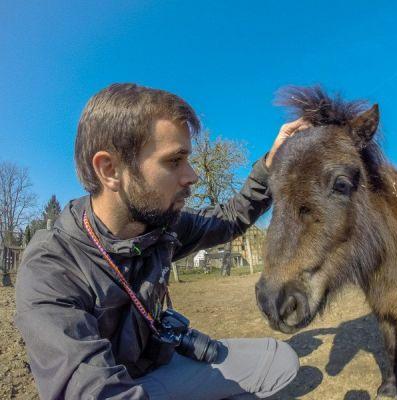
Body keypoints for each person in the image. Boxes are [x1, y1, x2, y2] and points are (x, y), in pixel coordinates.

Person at [15, 83, 309, 399]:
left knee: (280, 362)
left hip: (161, 365)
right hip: (121, 387)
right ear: (110, 170)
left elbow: (228, 219)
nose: (192, 175)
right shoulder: (52, 266)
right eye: (174, 161)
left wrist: (270, 167)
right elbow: (95, 392)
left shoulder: (163, 227)